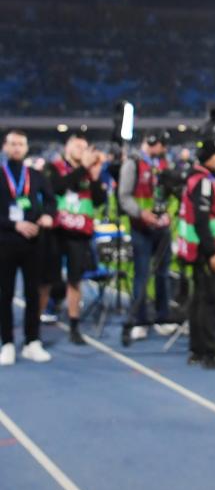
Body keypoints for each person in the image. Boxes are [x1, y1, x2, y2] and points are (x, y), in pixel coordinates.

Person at [175, 139, 215, 369]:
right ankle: (213, 353)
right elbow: (202, 220)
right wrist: (213, 252)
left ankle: (198, 349)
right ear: (209, 157)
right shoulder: (203, 181)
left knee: (199, 299)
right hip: (207, 250)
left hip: (196, 249)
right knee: (210, 301)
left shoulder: (196, 177)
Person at [0, 130, 56, 365]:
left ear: (26, 148)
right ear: (4, 147)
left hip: (34, 242)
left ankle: (33, 341)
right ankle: (8, 343)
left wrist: (47, 216)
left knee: (34, 293)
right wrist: (15, 224)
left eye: (21, 144)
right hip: (6, 241)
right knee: (5, 294)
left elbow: (51, 200)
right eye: (12, 144)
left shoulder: (35, 174)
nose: (16, 148)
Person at [118, 129, 177, 346]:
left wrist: (168, 213)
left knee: (163, 274)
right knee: (142, 275)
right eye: (162, 145)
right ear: (152, 142)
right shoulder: (132, 163)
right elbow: (123, 196)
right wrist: (141, 213)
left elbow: (168, 193)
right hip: (141, 228)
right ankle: (140, 320)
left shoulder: (163, 164)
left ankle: (162, 316)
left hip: (162, 228)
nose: (165, 150)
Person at [47, 132, 107, 344]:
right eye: (77, 146)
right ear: (67, 148)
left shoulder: (89, 173)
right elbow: (57, 187)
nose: (81, 151)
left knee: (75, 279)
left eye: (84, 147)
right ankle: (44, 311)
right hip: (55, 230)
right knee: (49, 279)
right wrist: (83, 168)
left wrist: (96, 176)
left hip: (79, 233)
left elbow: (100, 200)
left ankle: (74, 325)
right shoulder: (53, 167)